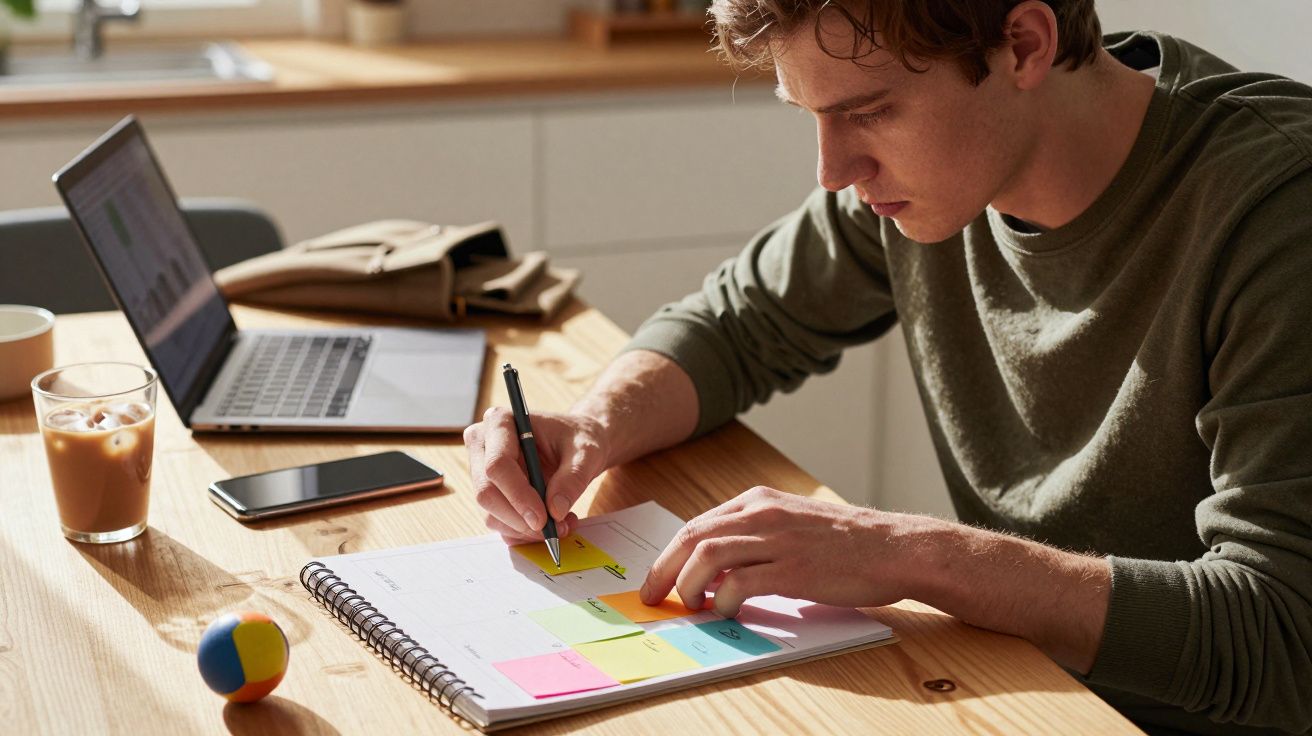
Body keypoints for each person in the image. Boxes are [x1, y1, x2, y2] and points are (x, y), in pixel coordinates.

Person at [463, 1, 1312, 732]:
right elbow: (735, 324)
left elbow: (1284, 639)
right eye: (812, 115)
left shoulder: (1278, 214)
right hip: (1025, 688)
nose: (834, 171)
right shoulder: (931, 179)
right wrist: (592, 425)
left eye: (868, 112)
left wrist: (910, 555)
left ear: (1023, 45)